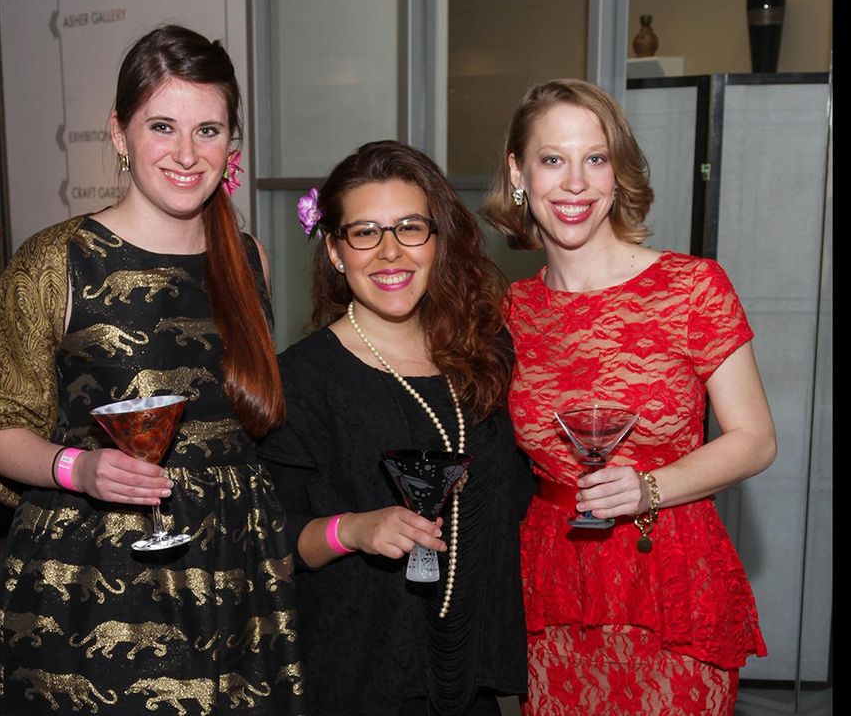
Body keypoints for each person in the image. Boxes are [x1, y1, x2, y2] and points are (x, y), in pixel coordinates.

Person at [0, 25, 304, 715]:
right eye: (162, 125)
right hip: (92, 576)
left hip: (235, 574)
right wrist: (77, 469)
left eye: (209, 130)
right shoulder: (58, 261)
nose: (185, 153)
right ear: (118, 133)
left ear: (232, 143)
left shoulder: (249, 259)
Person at [481, 78, 776, 715]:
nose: (576, 183)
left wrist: (648, 487)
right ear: (519, 173)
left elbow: (755, 439)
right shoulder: (509, 311)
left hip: (668, 567)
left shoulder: (691, 286)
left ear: (618, 172)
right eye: (553, 159)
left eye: (596, 158)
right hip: (555, 579)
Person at [257, 140, 532, 716]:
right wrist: (353, 529)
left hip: (469, 677)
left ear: (438, 240)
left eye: (410, 228)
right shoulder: (299, 380)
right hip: (357, 674)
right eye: (364, 232)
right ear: (335, 250)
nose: (390, 253)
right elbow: (273, 540)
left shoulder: (489, 354)